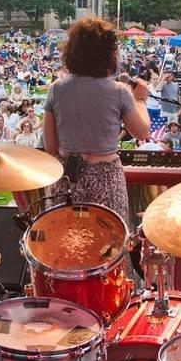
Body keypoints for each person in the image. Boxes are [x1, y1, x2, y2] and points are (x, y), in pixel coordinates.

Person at [41, 18, 150, 222]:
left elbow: (51, 147)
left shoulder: (56, 89)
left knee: (66, 245)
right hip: (106, 177)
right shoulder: (119, 91)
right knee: (108, 246)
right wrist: (140, 100)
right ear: (108, 54)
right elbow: (142, 132)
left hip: (66, 177)